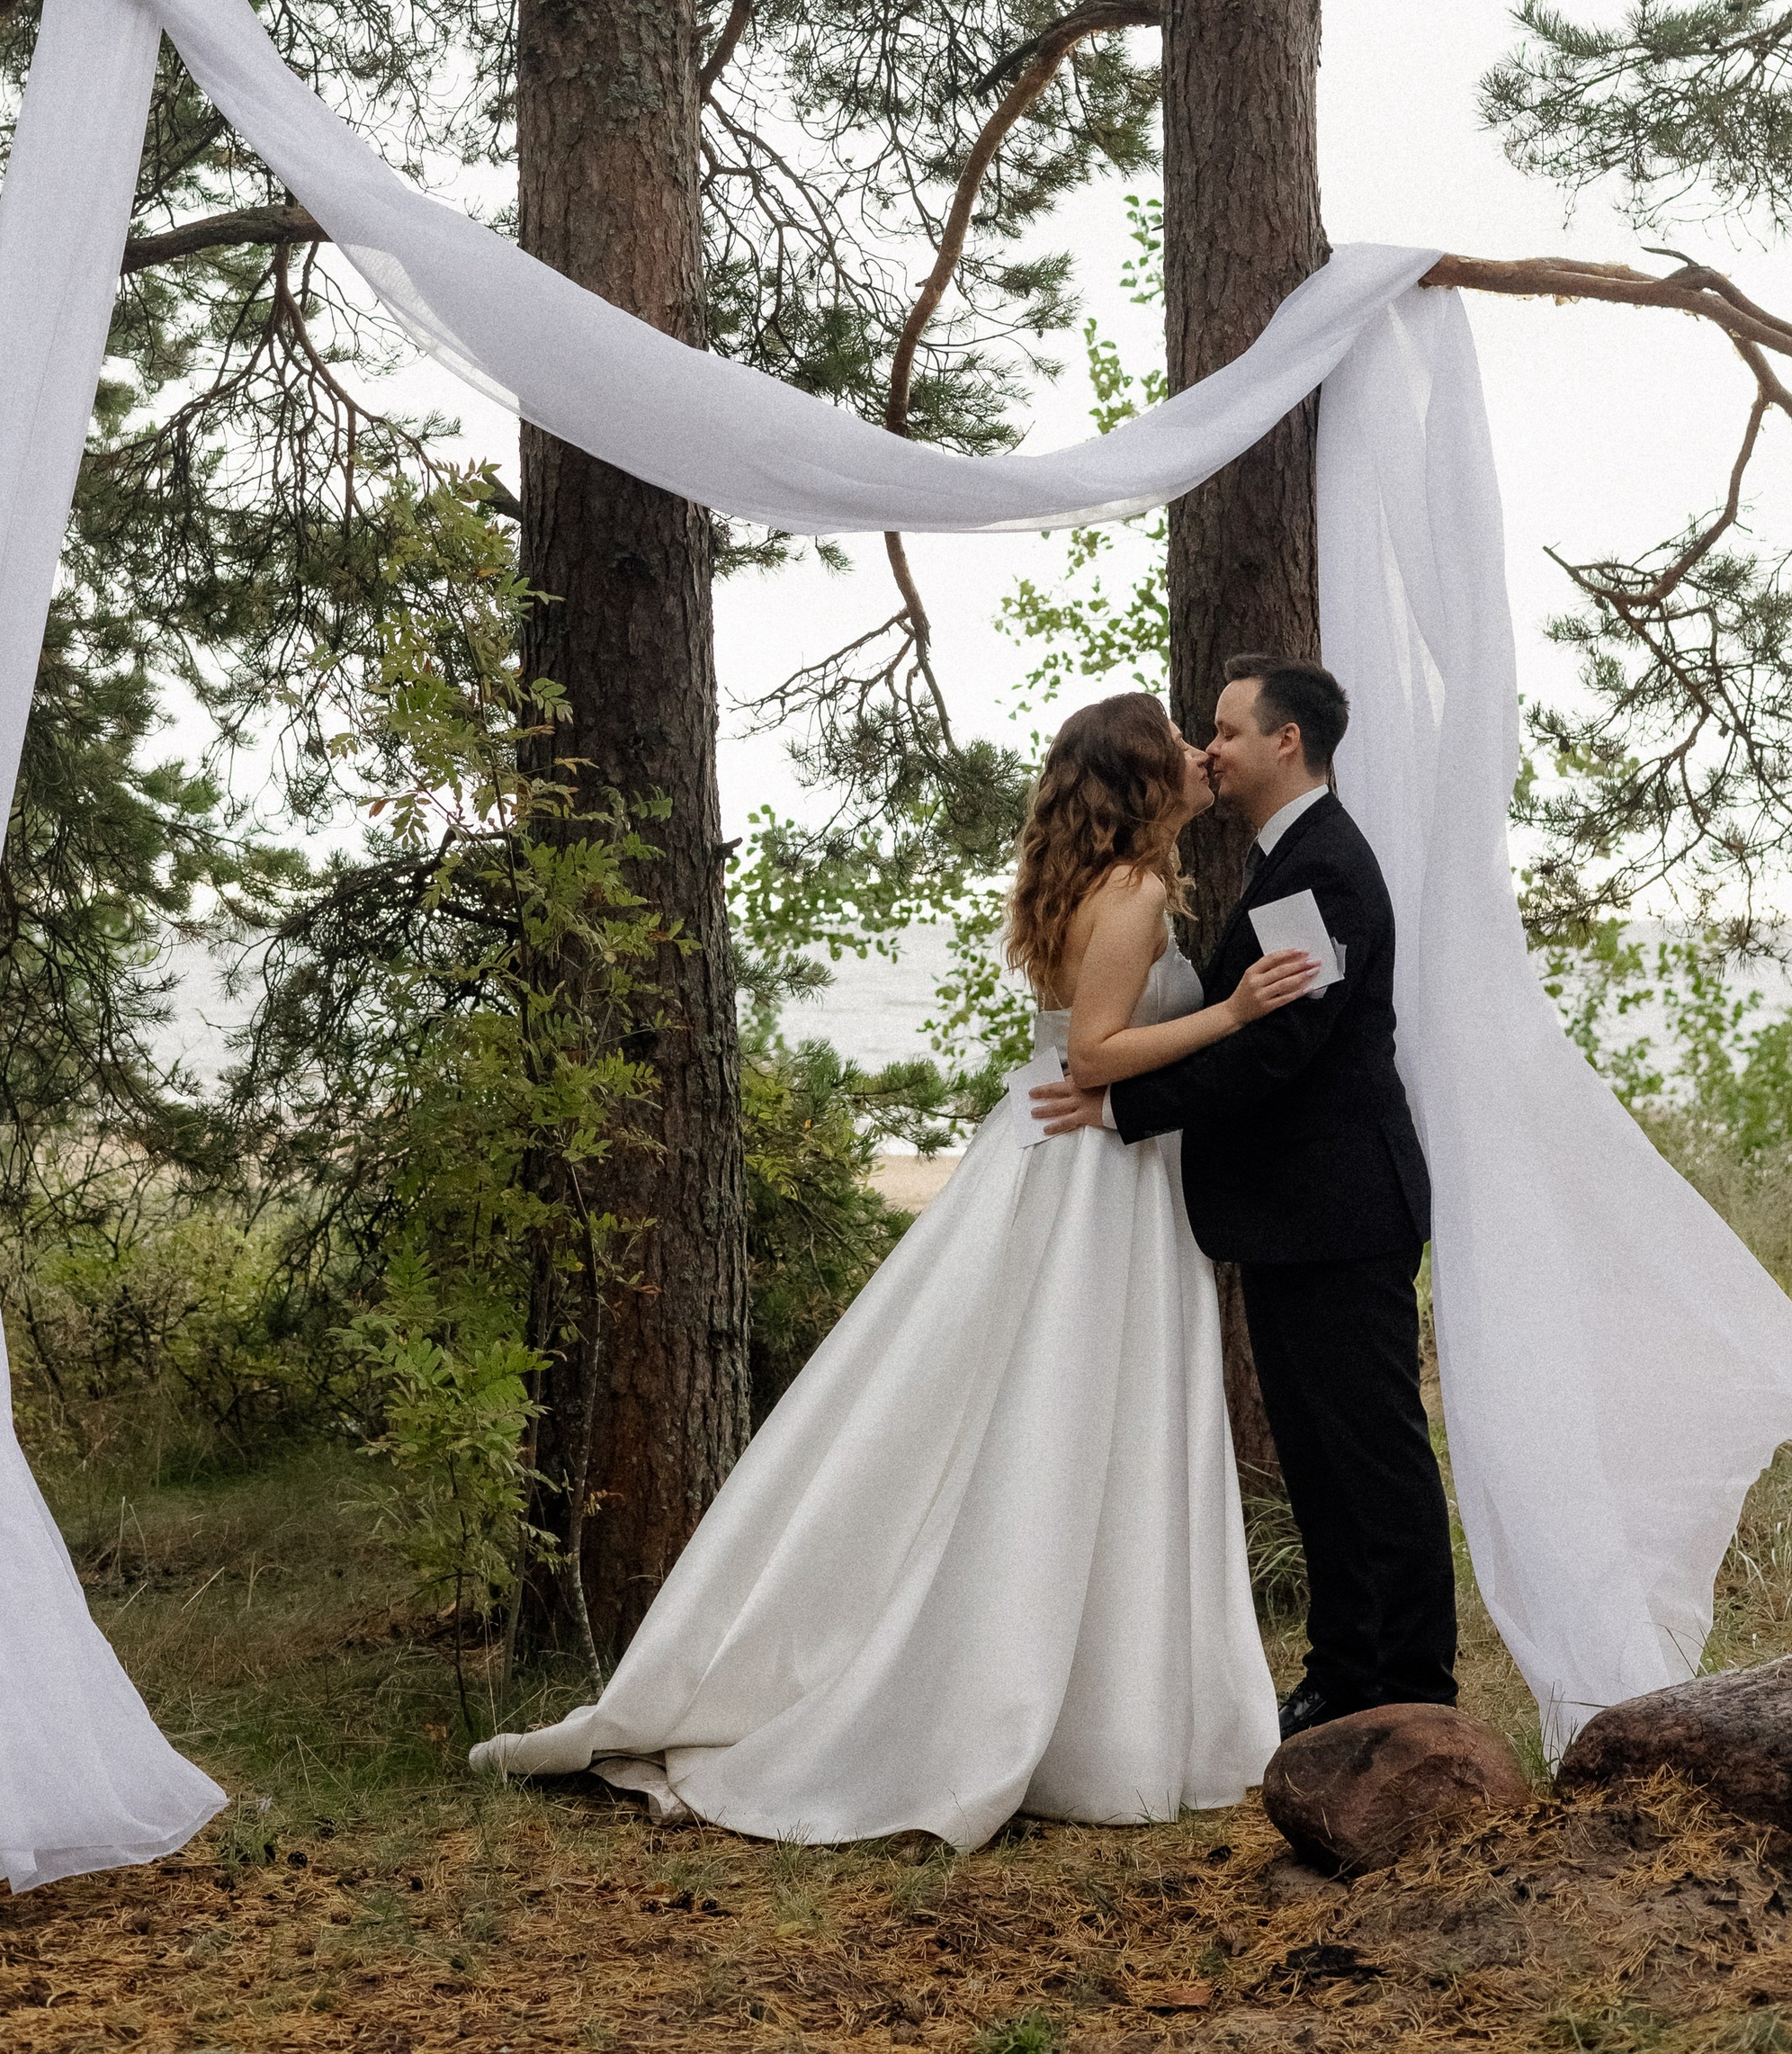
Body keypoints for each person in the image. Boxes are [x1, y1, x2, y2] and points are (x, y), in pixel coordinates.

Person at [469, 691, 1308, 1847]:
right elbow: (1096, 1055)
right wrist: (1236, 1015)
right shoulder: (1135, 892)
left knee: (1053, 1420)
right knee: (1058, 1421)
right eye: (1176, 743)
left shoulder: (1100, 883)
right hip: (1086, 1178)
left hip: (1080, 1163)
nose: (1198, 753)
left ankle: (1103, 1699)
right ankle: (1032, 1704)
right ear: (1140, 780)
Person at [1033, 655, 1457, 1736]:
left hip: (1338, 1208)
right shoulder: (1282, 861)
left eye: (1224, 730)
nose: (1207, 747)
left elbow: (1286, 1051)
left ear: (1286, 743)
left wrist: (1128, 1112)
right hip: (1289, 1212)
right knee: (1318, 1454)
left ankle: (1409, 1683)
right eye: (1202, 735)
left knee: (1368, 1449)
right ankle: (1344, 1673)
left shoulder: (1320, 869)